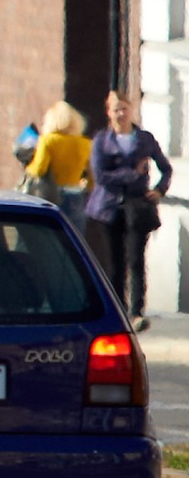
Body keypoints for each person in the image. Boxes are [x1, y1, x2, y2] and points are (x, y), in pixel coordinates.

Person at [86, 89, 172, 328]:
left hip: (137, 207)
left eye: (124, 108)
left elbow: (165, 167)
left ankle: (136, 312)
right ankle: (117, 311)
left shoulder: (144, 138)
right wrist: (131, 173)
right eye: (116, 110)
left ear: (131, 109)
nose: (121, 114)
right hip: (108, 207)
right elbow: (101, 177)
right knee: (114, 260)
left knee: (136, 259)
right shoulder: (102, 140)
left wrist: (159, 190)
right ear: (108, 113)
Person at [22, 100, 92, 229]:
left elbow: (39, 169)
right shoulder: (85, 144)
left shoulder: (48, 141)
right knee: (74, 236)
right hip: (76, 195)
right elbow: (92, 175)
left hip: (52, 195)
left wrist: (27, 167)